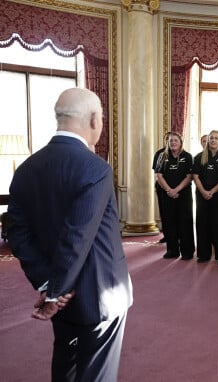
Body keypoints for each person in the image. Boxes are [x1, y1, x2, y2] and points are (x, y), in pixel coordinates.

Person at [7, 88, 133, 381]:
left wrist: (49, 284)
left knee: (67, 367)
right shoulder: (95, 168)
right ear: (93, 120)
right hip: (98, 294)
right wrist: (55, 293)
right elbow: (77, 237)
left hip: (58, 293)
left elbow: (18, 235)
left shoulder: (25, 170)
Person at [192, 130, 218, 264]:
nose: (213, 140)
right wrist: (203, 191)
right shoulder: (198, 157)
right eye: (211, 138)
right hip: (201, 196)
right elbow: (195, 176)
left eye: (216, 138)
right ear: (208, 140)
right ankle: (203, 254)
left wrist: (212, 191)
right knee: (202, 224)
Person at [155, 132, 195, 260]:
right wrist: (169, 190)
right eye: (170, 141)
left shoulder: (188, 156)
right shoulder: (162, 156)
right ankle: (172, 250)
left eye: (175, 140)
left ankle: (187, 252)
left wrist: (176, 189)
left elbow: (189, 177)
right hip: (168, 195)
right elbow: (159, 175)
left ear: (180, 142)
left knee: (185, 222)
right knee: (169, 222)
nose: (172, 143)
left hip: (183, 195)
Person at [153, 131, 171, 243]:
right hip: (161, 188)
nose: (170, 141)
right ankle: (167, 235)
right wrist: (166, 188)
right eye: (167, 139)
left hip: (177, 189)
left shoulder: (181, 154)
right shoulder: (159, 153)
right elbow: (157, 172)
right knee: (164, 212)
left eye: (172, 139)